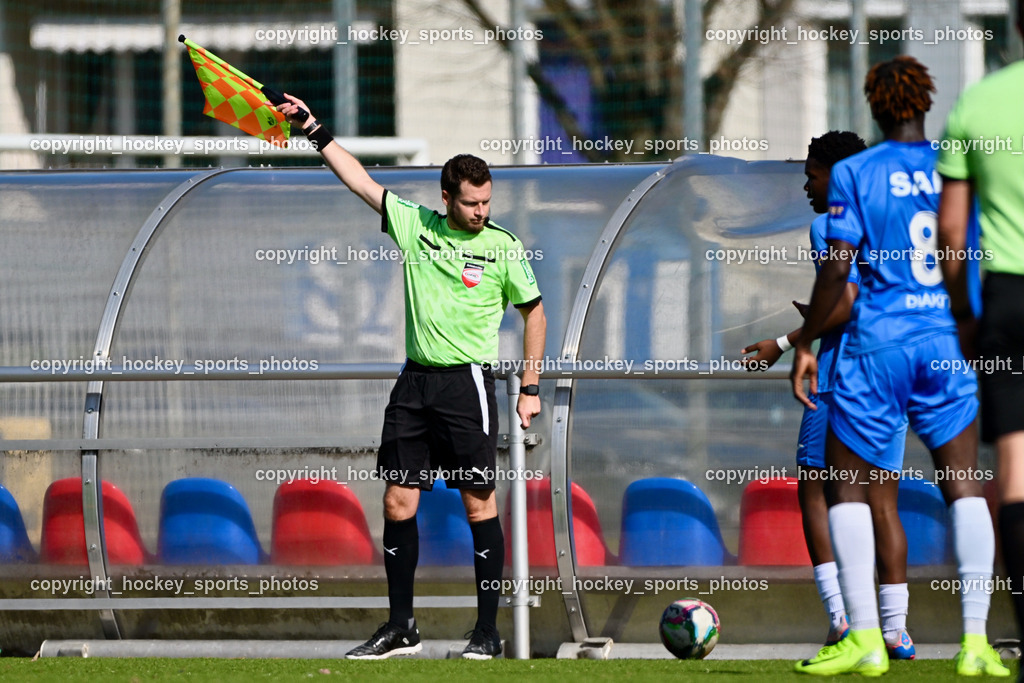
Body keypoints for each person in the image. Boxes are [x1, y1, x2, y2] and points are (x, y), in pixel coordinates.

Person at [274, 95, 547, 660]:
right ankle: (402, 628)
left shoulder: (503, 247)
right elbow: (360, 181)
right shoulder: (415, 226)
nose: (480, 212)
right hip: (414, 383)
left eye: (486, 202)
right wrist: (314, 130)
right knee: (398, 503)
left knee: (478, 504)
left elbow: (534, 314)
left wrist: (529, 388)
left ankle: (487, 633)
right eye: (470, 203)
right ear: (446, 198)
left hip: (466, 385)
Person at [790, 56, 1009, 677]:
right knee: (963, 482)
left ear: (874, 104)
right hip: (943, 337)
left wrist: (804, 341)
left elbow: (838, 269)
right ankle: (974, 642)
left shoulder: (858, 171)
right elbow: (964, 250)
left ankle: (862, 636)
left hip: (878, 345)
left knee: (846, 485)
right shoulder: (955, 164)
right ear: (925, 103)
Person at [743, 130, 915, 659]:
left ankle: (842, 620)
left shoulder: (830, 225)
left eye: (811, 174)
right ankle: (895, 630)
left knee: (815, 491)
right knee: (881, 502)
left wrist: (788, 339)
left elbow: (846, 303)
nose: (805, 186)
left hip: (847, 377)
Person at [937, 2, 1024, 679]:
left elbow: (952, 235)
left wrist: (964, 319)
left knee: (1014, 475)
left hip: (1006, 298)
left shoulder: (978, 103)